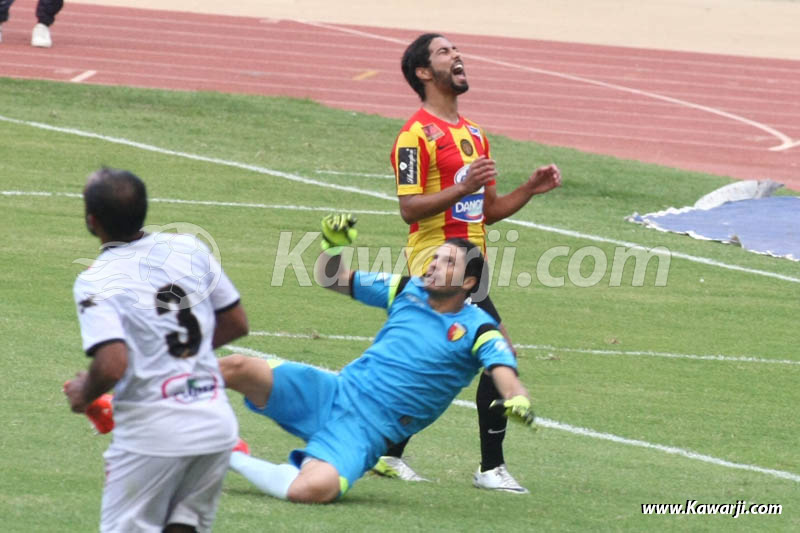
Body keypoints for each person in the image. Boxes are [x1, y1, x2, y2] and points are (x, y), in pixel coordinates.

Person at [220, 214, 536, 503]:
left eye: (448, 262)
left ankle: (228, 455)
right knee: (236, 367)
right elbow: (335, 279)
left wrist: (517, 398)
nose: (434, 265)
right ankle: (176, 404)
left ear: (468, 283)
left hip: (367, 431)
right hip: (333, 392)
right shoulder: (403, 289)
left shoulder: (480, 328)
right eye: (435, 257)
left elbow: (504, 371)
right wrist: (332, 246)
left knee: (312, 489)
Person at [383, 33, 562, 492]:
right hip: (438, 261)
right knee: (497, 350)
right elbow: (409, 208)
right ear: (424, 73)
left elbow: (487, 211)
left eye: (456, 50)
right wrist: (461, 189)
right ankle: (490, 468)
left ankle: (387, 452)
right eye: (445, 52)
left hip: (470, 263)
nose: (457, 56)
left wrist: (528, 190)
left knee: (440, 363)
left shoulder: (474, 134)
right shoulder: (414, 136)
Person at [63, 167, 249, 532]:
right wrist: (178, 358)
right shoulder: (190, 248)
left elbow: (113, 364)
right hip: (215, 425)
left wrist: (83, 394)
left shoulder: (96, 279)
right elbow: (235, 321)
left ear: (91, 221)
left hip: (155, 433)